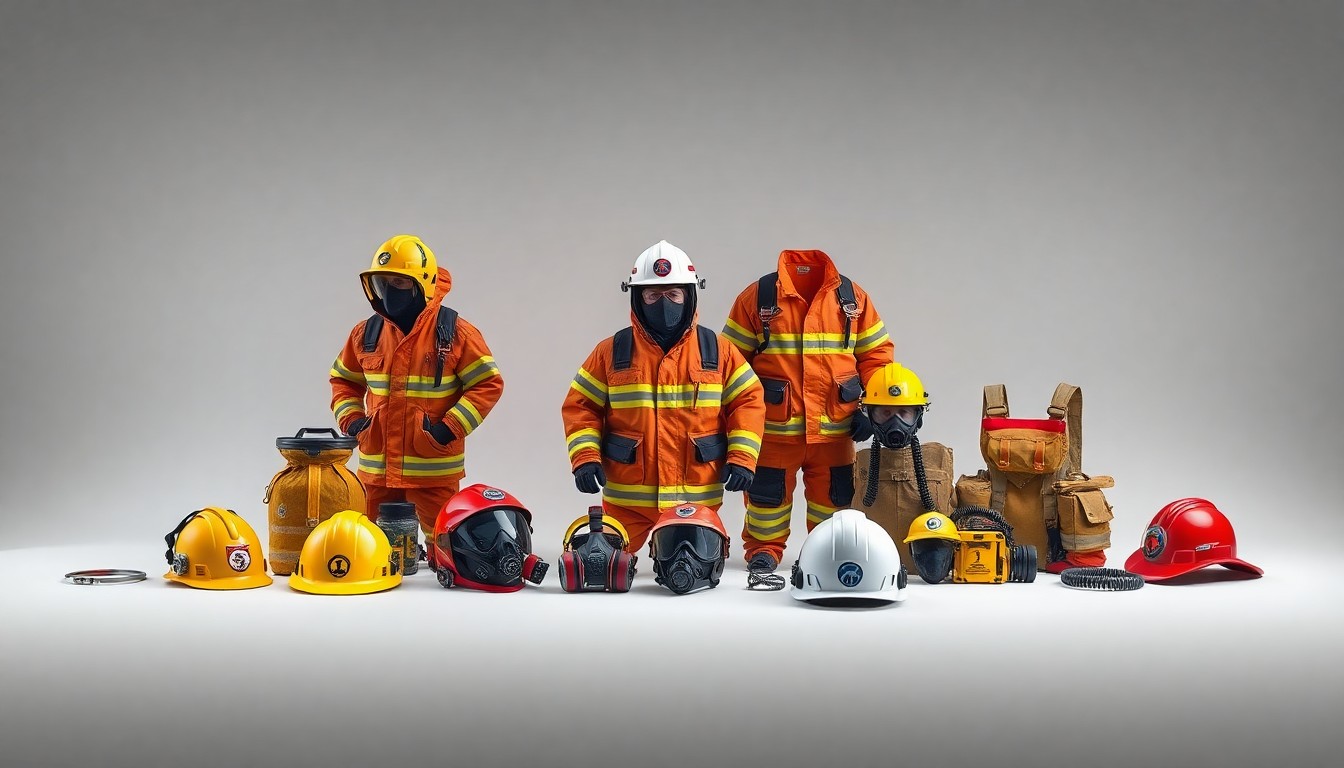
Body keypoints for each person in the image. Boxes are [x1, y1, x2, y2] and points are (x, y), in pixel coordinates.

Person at [561, 240, 766, 551]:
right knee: (603, 567)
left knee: (692, 569)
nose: (663, 303)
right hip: (625, 503)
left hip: (696, 503)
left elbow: (748, 400)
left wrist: (742, 458)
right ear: (637, 298)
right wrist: (585, 457)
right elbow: (580, 406)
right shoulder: (611, 352)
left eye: (673, 294)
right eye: (652, 295)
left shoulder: (719, 351)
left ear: (690, 295)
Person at [722, 249, 894, 573]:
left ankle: (827, 551)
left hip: (837, 432)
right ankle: (764, 550)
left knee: (834, 500)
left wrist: (870, 411)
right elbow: (731, 367)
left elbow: (877, 359)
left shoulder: (851, 299)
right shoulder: (758, 298)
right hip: (773, 433)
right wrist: (737, 424)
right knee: (766, 501)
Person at [329, 234, 503, 541]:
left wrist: (449, 428)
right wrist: (352, 421)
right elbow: (343, 380)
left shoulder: (455, 333)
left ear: (422, 285)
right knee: (368, 550)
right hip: (376, 473)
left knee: (447, 551)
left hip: (433, 471)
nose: (389, 292)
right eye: (384, 283)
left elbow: (488, 384)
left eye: (399, 283)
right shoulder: (365, 333)